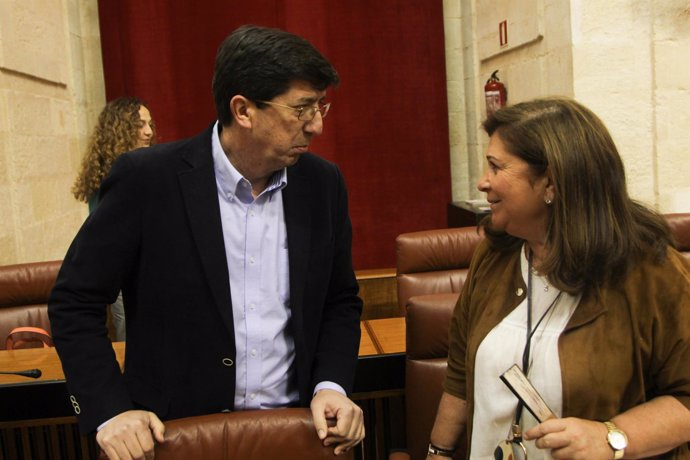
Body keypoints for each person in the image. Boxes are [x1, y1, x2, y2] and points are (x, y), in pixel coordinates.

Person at [49, 25, 364, 459]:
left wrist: (331, 384)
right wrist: (109, 409)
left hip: (294, 435)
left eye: (320, 106)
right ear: (243, 110)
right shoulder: (147, 180)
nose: (317, 125)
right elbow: (75, 300)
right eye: (303, 109)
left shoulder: (322, 185)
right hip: (174, 439)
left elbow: (340, 299)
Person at [426, 97, 690, 460]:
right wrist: (437, 452)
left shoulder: (652, 271)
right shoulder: (495, 255)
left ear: (550, 183)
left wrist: (611, 437)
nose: (483, 182)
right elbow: (460, 374)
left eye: (496, 167)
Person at [71, 96, 156, 343]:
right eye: (139, 125)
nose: (148, 132)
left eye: (150, 124)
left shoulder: (149, 167)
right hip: (124, 273)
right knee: (130, 340)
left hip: (153, 269)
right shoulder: (110, 175)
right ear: (119, 129)